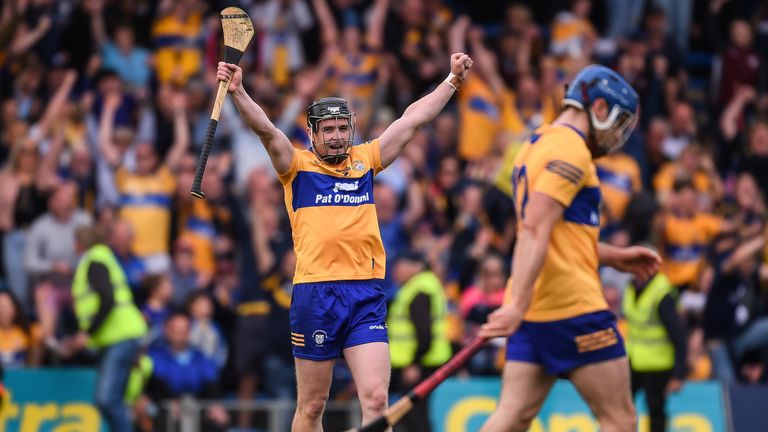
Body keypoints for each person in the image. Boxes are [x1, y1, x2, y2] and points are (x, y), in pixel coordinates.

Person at [216, 51, 473, 430]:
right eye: (328, 130)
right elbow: (268, 131)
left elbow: (413, 118)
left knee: (376, 399)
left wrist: (451, 80)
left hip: (365, 294)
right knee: (312, 405)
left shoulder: (366, 160)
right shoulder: (296, 167)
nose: (336, 137)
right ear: (313, 133)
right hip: (315, 295)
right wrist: (238, 92)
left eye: (341, 128)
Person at [479, 65, 661, 432]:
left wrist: (614, 256)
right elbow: (534, 228)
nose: (618, 136)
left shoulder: (534, 144)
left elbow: (559, 236)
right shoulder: (572, 150)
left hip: (533, 309)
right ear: (597, 108)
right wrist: (513, 306)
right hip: (573, 306)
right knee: (620, 420)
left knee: (512, 418)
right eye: (619, 122)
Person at [67, 226, 148, 432]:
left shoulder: (94, 261)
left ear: (80, 243)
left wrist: (88, 332)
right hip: (117, 337)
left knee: (106, 398)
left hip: (122, 336)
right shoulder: (102, 258)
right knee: (110, 399)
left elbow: (107, 299)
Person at [388, 252, 451, 432]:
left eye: (398, 267)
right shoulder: (422, 286)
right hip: (420, 362)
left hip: (420, 364)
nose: (395, 273)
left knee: (414, 415)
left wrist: (414, 363)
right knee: (413, 414)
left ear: (414, 266)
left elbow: (424, 332)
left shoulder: (419, 290)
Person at [623, 272, 687, 432]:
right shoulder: (631, 287)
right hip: (633, 359)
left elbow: (679, 337)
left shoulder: (662, 295)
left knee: (655, 410)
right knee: (622, 407)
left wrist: (678, 374)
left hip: (658, 364)